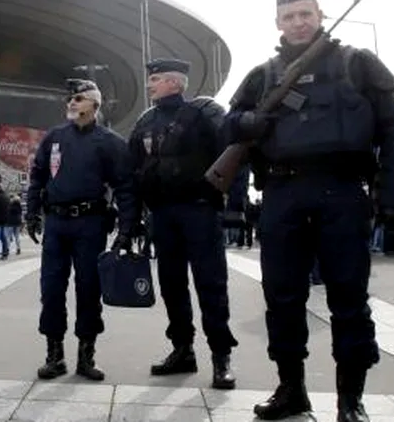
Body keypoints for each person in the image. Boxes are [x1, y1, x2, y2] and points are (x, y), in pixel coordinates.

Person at [222, 0, 394, 420]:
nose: (298, 23)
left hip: (342, 191)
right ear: (277, 23)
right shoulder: (263, 74)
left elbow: (393, 133)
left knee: (349, 299)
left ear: (319, 14)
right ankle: (292, 390)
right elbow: (229, 126)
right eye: (288, 16)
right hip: (282, 194)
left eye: (304, 14)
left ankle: (350, 401)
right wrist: (245, 123)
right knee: (282, 298)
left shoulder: (357, 63)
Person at [128, 58, 239, 390]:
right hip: (162, 215)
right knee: (172, 285)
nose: (150, 84)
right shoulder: (145, 121)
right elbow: (132, 172)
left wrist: (235, 207)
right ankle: (182, 349)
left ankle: (221, 357)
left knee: (211, 285)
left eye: (157, 79)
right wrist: (132, 218)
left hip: (199, 211)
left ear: (176, 83)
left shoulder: (205, 114)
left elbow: (234, 155)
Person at [26, 78, 138, 381]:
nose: (71, 103)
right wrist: (31, 212)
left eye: (77, 98)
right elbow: (37, 176)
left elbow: (126, 187)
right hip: (56, 224)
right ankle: (55, 355)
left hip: (90, 223)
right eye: (69, 99)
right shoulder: (54, 138)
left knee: (88, 289)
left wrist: (127, 229)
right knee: (50, 289)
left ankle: (86, 356)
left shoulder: (110, 142)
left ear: (94, 104)